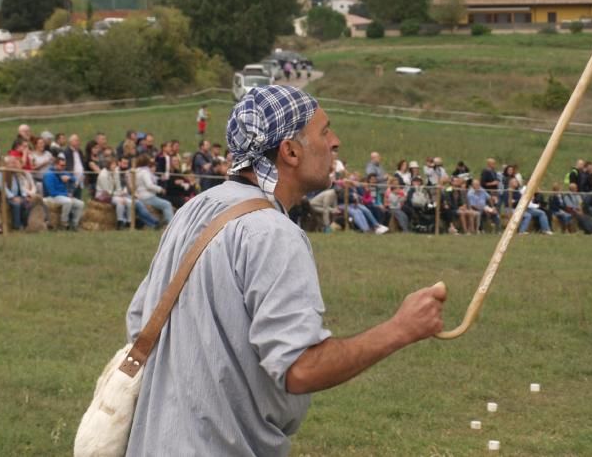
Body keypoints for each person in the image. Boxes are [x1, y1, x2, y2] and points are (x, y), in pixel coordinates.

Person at [124, 85, 446, 456]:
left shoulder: (194, 210)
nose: (335, 142)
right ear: (290, 151)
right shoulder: (273, 233)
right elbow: (301, 368)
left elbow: (140, 323)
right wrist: (400, 329)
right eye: (324, 131)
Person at [42, 154, 84, 230]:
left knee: (80, 204)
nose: (63, 167)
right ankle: (64, 222)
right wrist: (66, 194)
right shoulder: (49, 175)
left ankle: (75, 224)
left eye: (64, 165)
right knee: (68, 201)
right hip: (52, 197)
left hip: (63, 196)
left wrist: (69, 178)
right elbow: (52, 192)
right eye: (62, 165)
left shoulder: (63, 172)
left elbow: (75, 179)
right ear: (55, 164)